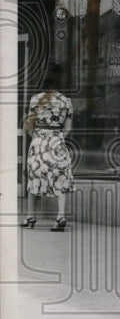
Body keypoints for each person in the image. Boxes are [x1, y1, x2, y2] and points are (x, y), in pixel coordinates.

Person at [21, 63, 74, 231]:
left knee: (34, 178)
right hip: (57, 143)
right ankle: (60, 216)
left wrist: (38, 137)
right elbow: (68, 129)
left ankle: (30, 216)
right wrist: (56, 138)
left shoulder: (35, 100)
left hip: (38, 143)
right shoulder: (66, 101)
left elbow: (28, 125)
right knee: (61, 178)